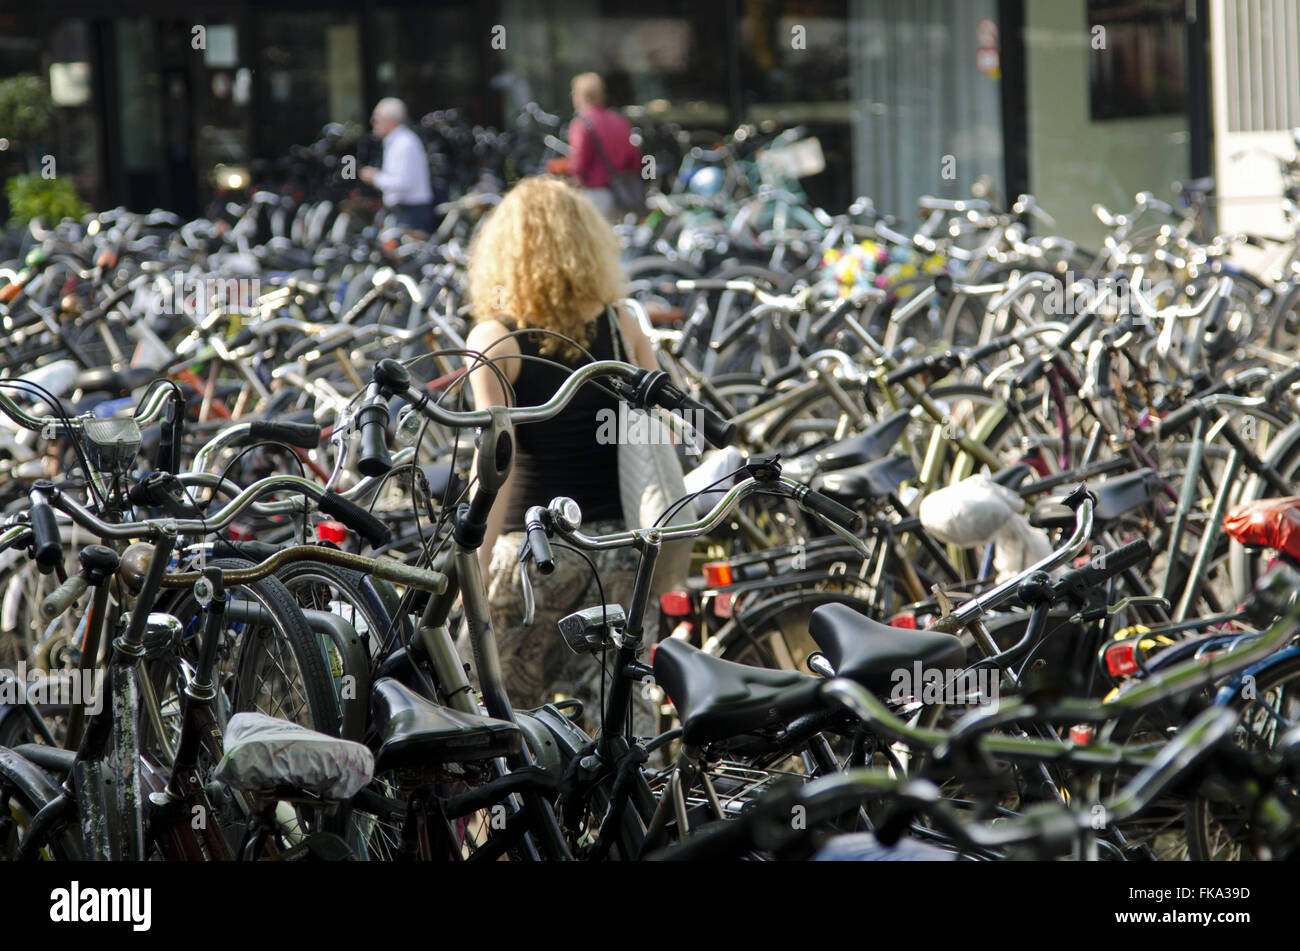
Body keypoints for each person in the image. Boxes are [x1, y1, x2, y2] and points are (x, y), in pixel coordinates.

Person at [461, 176, 660, 726]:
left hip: (533, 555)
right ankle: (629, 813)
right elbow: (656, 427)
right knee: (615, 720)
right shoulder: (622, 324)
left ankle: (519, 815)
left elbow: (492, 469)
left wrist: (470, 570)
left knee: (507, 720)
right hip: (621, 547)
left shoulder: (495, 339)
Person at [546, 73, 639, 222]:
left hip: (594, 195)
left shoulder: (582, 124)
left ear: (579, 95)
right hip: (621, 194)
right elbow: (634, 160)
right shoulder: (620, 121)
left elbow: (579, 164)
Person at [360, 98, 434, 233]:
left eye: (377, 118)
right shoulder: (398, 141)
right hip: (406, 210)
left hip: (411, 212)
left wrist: (374, 177)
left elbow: (403, 182)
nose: (372, 122)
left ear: (391, 120)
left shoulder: (403, 143)